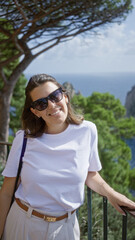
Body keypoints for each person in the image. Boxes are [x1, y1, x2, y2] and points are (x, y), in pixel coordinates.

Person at [0, 73, 135, 240]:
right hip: (23, 224)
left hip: (66, 228)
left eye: (55, 96)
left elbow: (90, 173)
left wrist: (112, 194)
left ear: (65, 96)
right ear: (35, 112)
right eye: (41, 104)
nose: (51, 105)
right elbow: (6, 193)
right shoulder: (23, 139)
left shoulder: (87, 131)